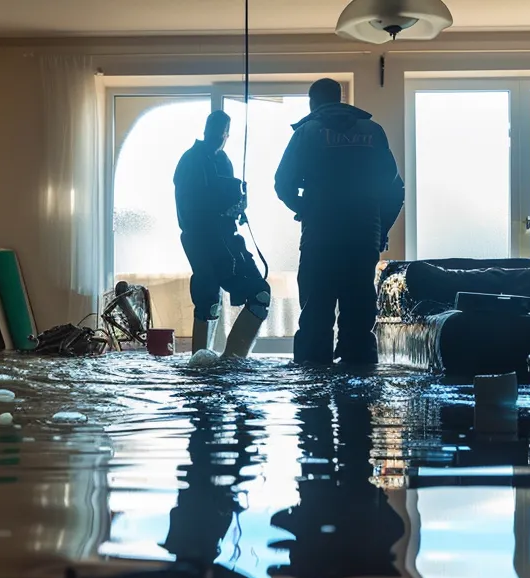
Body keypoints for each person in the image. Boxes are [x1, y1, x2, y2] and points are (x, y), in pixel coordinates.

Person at [274, 78, 403, 366]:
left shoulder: (307, 133)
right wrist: (381, 227)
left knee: (315, 314)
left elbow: (282, 183)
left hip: (321, 236)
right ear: (340, 97)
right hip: (363, 234)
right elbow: (394, 188)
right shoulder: (373, 131)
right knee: (359, 315)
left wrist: (304, 207)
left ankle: (312, 395)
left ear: (313, 102)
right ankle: (360, 398)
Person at [173, 111, 270, 357]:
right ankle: (207, 364)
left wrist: (238, 204)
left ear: (227, 134)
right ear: (206, 130)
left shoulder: (223, 161)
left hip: (226, 237)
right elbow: (190, 208)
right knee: (209, 299)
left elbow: (225, 203)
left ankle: (229, 363)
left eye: (223, 131)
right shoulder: (190, 161)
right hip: (202, 239)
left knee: (256, 294)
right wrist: (226, 199)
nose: (219, 136)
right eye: (214, 130)